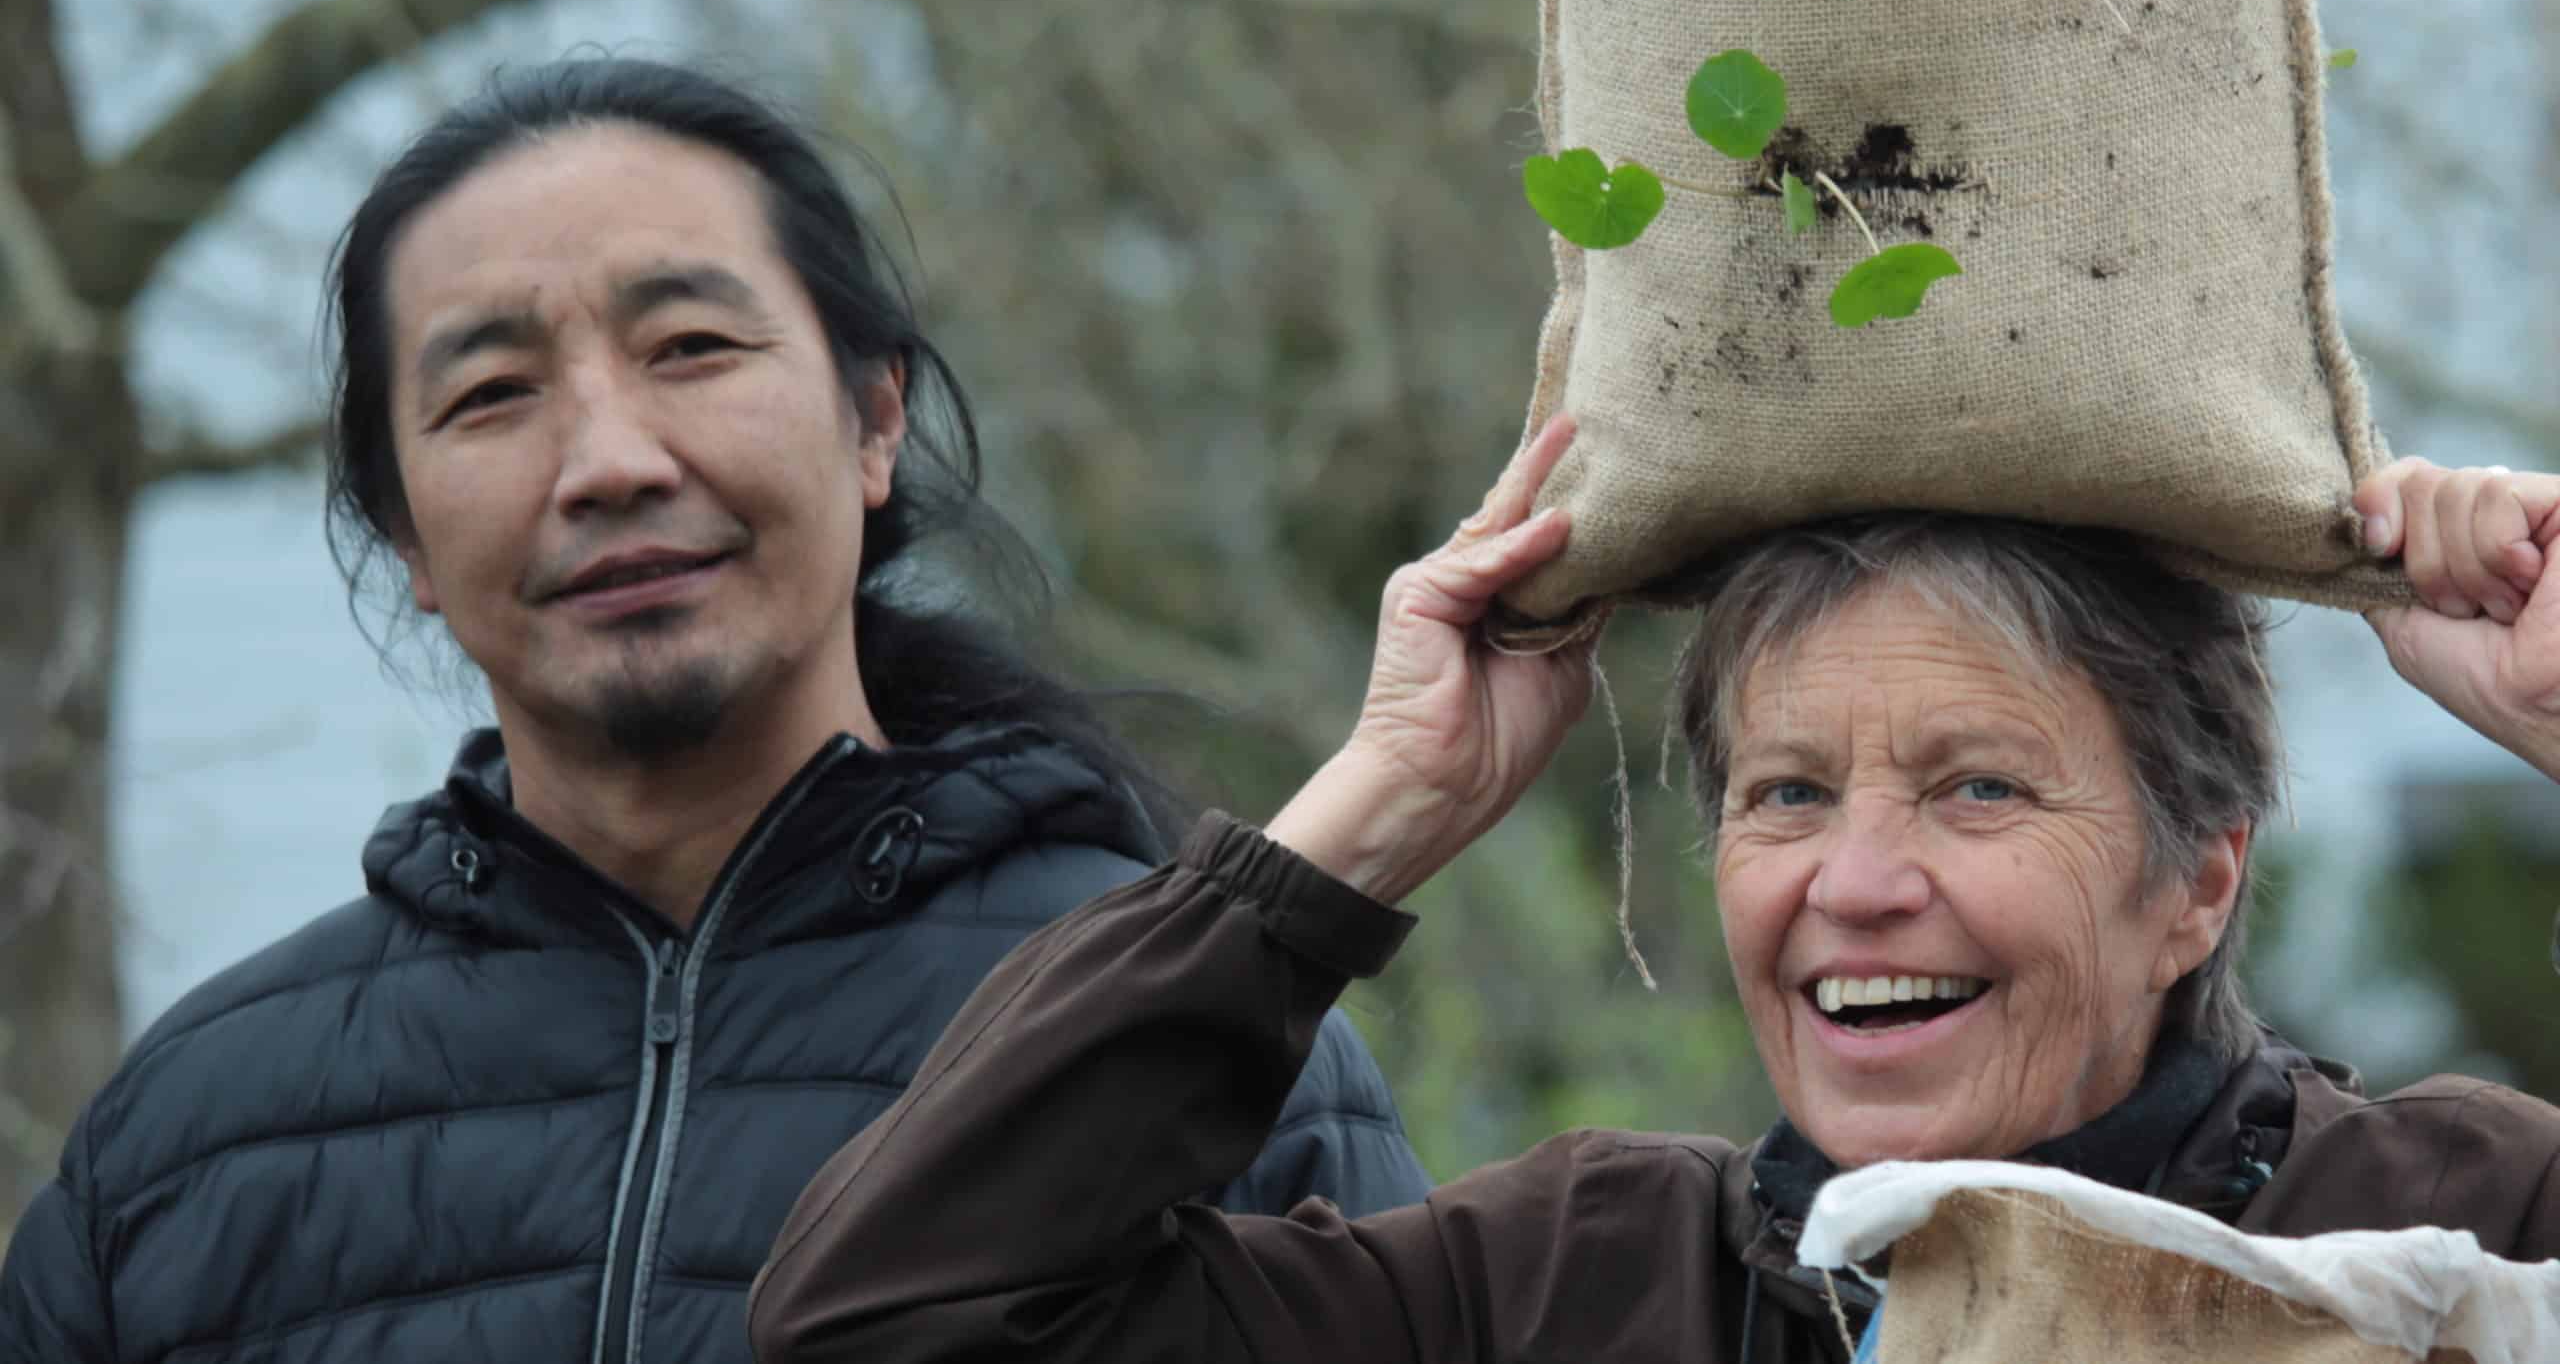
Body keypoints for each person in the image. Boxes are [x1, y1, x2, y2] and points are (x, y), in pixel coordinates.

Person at [0, 61, 1430, 1364]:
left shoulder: (1192, 1040)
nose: (609, 462)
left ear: (875, 421)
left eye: (689, 346)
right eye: (492, 391)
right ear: (404, 539)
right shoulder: (189, 1148)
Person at [745, 417, 2560, 1362]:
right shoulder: (1573, 1289)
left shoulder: (2468, 1224)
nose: (1853, 884)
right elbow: (905, 1319)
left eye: (1976, 788)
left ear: (2197, 882)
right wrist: (1381, 806)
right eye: (1784, 794)